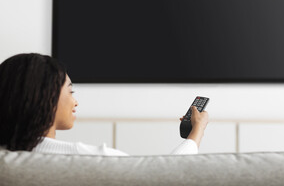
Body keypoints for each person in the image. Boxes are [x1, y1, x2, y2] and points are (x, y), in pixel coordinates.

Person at [0, 53, 209, 155]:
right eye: (70, 91)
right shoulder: (92, 158)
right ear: (47, 97)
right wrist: (197, 130)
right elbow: (168, 176)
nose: (75, 101)